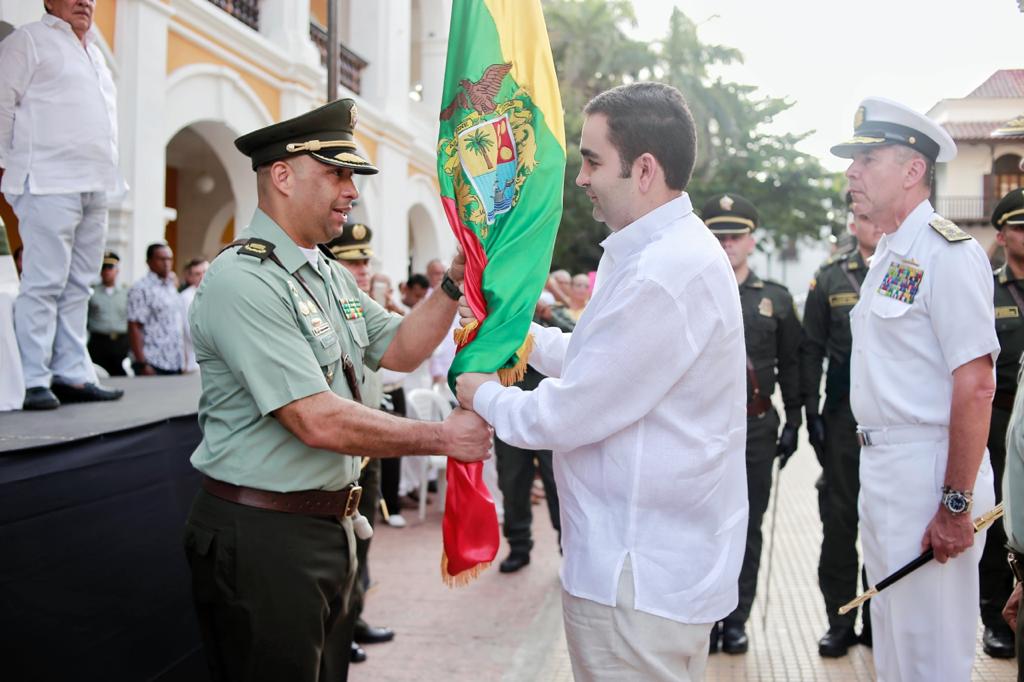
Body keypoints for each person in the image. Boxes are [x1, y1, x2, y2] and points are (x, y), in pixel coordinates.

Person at [183, 98, 493, 682]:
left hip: (329, 527)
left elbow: (399, 347)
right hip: (266, 537)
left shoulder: (324, 272)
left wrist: (454, 280)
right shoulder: (244, 280)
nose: (351, 190)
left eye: (352, 175)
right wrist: (442, 437)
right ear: (282, 175)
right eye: (337, 172)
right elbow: (315, 419)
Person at [456, 82, 748, 680]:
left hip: (634, 573)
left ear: (643, 169)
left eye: (592, 160)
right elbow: (604, 358)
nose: (582, 176)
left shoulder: (664, 271)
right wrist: (525, 340)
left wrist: (481, 391)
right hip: (643, 564)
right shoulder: (657, 253)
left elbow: (570, 412)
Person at [832, 96, 997, 681]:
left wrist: (955, 504)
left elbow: (976, 384)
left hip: (930, 471)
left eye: (867, 158)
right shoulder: (888, 256)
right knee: (896, 651)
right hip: (885, 470)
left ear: (912, 170)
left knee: (932, 654)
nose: (852, 171)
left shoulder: (948, 253)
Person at [1, 0, 125, 409]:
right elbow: (2, 102)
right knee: (44, 282)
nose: (84, 2)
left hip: (97, 183)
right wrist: (3, 165)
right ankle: (34, 378)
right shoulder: (29, 40)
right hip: (48, 180)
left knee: (80, 285)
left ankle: (72, 373)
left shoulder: (95, 54)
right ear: (49, 1)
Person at [702, 192, 802, 654]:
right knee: (702, 523)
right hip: (701, 430)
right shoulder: (694, 289)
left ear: (751, 240)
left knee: (748, 525)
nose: (726, 244)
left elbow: (793, 362)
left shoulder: (775, 300)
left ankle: (737, 617)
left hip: (756, 428)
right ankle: (703, 616)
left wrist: (795, 419)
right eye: (718, 235)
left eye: (735, 236)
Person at [800, 197, 883, 657]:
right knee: (839, 522)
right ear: (853, 224)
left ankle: (878, 616)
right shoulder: (830, 278)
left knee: (885, 522)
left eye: (875, 216)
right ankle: (841, 618)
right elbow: (811, 348)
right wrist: (811, 410)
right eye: (862, 218)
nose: (869, 225)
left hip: (892, 422)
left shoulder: (903, 271)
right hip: (842, 420)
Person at [493, 298, 574, 574]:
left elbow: (577, 337)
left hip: (548, 413)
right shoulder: (504, 305)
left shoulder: (552, 308)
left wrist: (547, 312)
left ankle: (568, 547)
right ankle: (518, 545)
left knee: (557, 482)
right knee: (512, 481)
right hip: (510, 406)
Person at [981, 187, 1024, 658]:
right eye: (1019, 227)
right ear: (1001, 234)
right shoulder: (987, 288)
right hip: (999, 416)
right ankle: (995, 616)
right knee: (998, 517)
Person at [128, 242, 184, 376]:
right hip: (152, 362)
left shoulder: (171, 286)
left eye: (169, 259)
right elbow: (134, 326)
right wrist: (142, 364)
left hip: (174, 362)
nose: (167, 263)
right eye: (161, 259)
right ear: (149, 262)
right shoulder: (141, 288)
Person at [87, 251, 129, 376]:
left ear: (117, 270)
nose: (106, 271)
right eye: (103, 268)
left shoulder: (125, 292)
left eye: (110, 267)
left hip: (120, 343)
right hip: (99, 342)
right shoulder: (92, 292)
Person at [179, 257, 208, 373]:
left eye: (205, 272)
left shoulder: (217, 292)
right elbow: (188, 330)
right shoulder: (186, 297)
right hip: (195, 362)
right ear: (190, 277)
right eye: (197, 274)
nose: (202, 276)